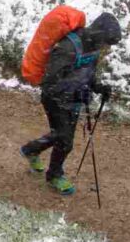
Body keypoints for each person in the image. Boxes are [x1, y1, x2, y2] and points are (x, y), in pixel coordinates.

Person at [19, 13, 122, 195]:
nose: (106, 47)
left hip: (73, 100)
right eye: (106, 42)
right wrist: (75, 92)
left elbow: (87, 73)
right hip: (55, 100)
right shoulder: (69, 47)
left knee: (61, 136)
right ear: (99, 33)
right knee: (65, 140)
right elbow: (49, 82)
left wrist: (98, 87)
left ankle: (31, 150)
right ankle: (54, 176)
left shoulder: (94, 47)